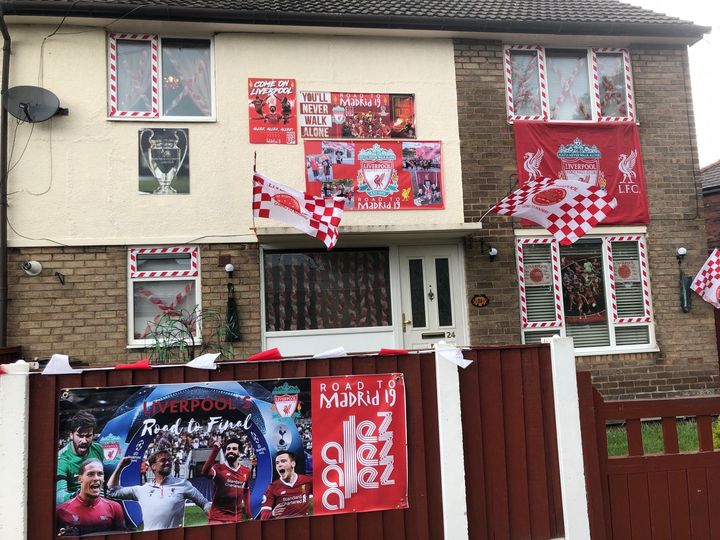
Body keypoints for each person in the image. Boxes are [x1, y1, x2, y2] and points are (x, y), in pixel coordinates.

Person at [108, 450, 211, 531]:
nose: (167, 463)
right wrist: (120, 467)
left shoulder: (183, 484)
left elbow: (204, 503)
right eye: (163, 460)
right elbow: (112, 492)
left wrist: (216, 517)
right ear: (153, 466)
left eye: (169, 460)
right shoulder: (142, 489)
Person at [56, 458, 125, 536]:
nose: (96, 478)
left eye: (100, 474)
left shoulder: (115, 507)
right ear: (80, 479)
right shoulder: (61, 511)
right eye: (90, 474)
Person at [56, 411, 105, 504]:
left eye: (88, 436)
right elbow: (59, 498)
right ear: (71, 435)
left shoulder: (98, 449)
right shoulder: (62, 459)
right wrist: (83, 494)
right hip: (74, 505)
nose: (84, 440)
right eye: (80, 436)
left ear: (93, 435)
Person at [200, 437, 252, 523]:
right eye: (228, 449)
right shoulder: (218, 468)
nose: (231, 451)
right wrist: (215, 450)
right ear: (225, 452)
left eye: (234, 449)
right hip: (217, 518)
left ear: (239, 452)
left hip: (236, 518)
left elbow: (246, 492)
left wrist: (249, 513)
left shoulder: (246, 471)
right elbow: (205, 471)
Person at [259, 451, 312, 519]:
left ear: (293, 464)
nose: (279, 465)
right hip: (282, 527)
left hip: (303, 525)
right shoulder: (272, 487)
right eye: (277, 463)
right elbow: (263, 516)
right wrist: (272, 513)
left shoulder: (307, 481)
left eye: (283, 461)